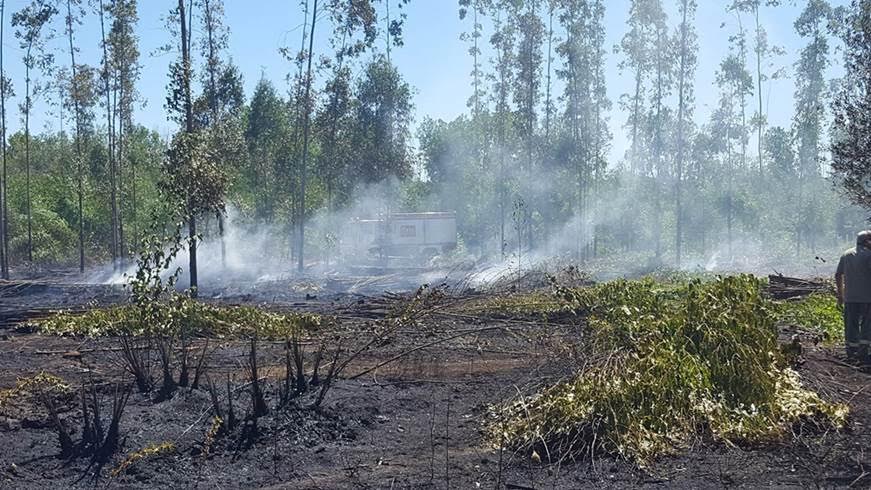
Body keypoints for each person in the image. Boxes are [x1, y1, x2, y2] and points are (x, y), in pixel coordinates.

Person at [835, 230, 871, 364]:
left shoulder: (846, 254)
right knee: (867, 325)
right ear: (866, 241)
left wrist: (840, 294)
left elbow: (838, 275)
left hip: (850, 298)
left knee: (851, 325)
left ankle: (851, 352)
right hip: (867, 298)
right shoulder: (869, 255)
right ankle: (863, 353)